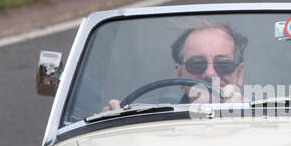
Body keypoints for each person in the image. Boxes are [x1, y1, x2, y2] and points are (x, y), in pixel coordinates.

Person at [105, 21, 248, 110]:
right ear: (179, 73)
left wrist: (243, 117)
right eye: (197, 64)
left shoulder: (262, 118)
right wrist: (109, 122)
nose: (210, 74)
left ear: (239, 73)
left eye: (223, 65)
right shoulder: (146, 114)